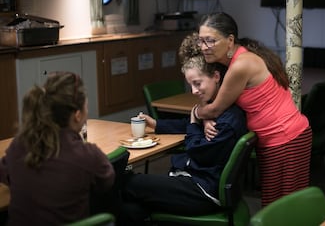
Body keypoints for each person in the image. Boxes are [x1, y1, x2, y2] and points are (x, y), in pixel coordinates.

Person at [119, 33, 248, 225]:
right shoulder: (220, 109)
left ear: (216, 77)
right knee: (131, 207)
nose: (194, 91)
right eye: (191, 85)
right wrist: (158, 124)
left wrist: (196, 121)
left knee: (127, 182)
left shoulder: (227, 121)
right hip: (196, 181)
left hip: (203, 191)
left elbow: (197, 151)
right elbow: (188, 125)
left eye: (198, 83)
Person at [192, 12, 312, 206]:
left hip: (286, 139)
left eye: (210, 41)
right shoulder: (233, 59)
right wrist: (206, 117)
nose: (204, 48)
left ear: (230, 40)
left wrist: (196, 114)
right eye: (201, 41)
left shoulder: (241, 64)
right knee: (275, 206)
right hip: (279, 139)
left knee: (286, 207)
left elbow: (215, 109)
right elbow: (214, 103)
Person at [0, 72, 115, 226]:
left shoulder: (19, 144)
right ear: (77, 115)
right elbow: (107, 182)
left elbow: (4, 173)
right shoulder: (87, 155)